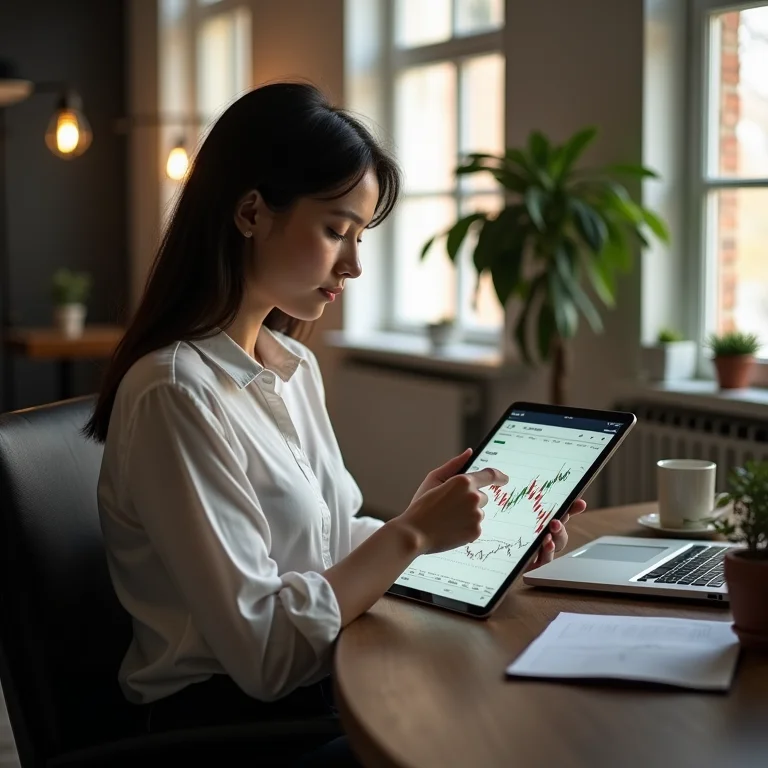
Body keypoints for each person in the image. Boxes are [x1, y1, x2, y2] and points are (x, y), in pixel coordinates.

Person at [84, 81, 585, 766]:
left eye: (358, 237)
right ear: (252, 212)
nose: (351, 265)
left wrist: (448, 537)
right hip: (220, 730)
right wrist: (408, 536)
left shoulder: (290, 367)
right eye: (335, 231)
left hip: (316, 695)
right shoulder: (177, 392)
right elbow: (263, 657)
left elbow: (330, 541)